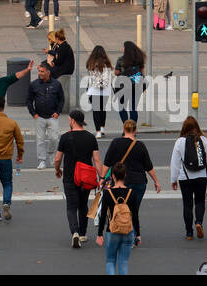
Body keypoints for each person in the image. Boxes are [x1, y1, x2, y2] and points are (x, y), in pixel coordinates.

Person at [104, 119, 161, 244]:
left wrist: (102, 178)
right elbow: (149, 167)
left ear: (124, 129)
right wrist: (156, 181)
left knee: (117, 208)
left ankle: (117, 232)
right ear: (135, 130)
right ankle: (132, 235)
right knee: (132, 210)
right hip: (138, 182)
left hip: (119, 181)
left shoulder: (115, 143)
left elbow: (107, 163)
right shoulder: (140, 145)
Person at [54, 109, 102, 247]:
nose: (68, 121)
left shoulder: (65, 137)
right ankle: (82, 234)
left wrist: (57, 169)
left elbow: (57, 158)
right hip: (85, 178)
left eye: (69, 119)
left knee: (71, 206)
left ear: (73, 120)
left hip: (70, 177)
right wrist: (102, 177)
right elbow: (97, 160)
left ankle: (74, 232)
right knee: (83, 205)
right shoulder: (90, 137)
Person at [169, 117, 207, 241]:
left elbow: (175, 163)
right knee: (200, 201)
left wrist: (173, 179)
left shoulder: (180, 142)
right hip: (201, 177)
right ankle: (199, 223)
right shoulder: (203, 140)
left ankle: (189, 232)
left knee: (187, 204)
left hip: (185, 177)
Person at [96, 163, 136, 274]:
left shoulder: (108, 193)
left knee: (110, 261)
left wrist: (99, 234)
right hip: (128, 230)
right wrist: (138, 235)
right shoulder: (131, 193)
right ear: (125, 175)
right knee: (123, 262)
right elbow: (135, 216)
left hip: (112, 230)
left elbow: (103, 215)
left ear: (113, 176)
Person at [26, 62, 64, 170]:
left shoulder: (56, 84)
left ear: (48, 72)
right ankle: (42, 160)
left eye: (42, 71)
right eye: (39, 71)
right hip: (40, 117)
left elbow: (62, 99)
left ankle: (51, 154)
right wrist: (33, 114)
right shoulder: (34, 84)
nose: (40, 73)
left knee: (54, 138)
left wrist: (58, 112)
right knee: (40, 140)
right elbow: (29, 100)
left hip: (53, 117)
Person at [114, 40, 147, 124]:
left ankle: (126, 128)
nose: (123, 48)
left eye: (124, 47)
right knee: (133, 108)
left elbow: (116, 72)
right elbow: (142, 73)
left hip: (123, 87)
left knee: (122, 107)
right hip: (136, 87)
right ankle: (132, 128)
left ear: (126, 49)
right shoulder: (139, 60)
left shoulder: (121, 60)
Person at [85, 46, 114, 138]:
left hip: (94, 90)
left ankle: (97, 131)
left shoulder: (91, 63)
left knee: (96, 111)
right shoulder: (107, 63)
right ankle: (102, 128)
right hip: (105, 90)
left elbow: (90, 78)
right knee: (103, 109)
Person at [44, 28, 75, 107]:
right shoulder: (64, 46)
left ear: (57, 39)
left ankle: (49, 93)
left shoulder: (62, 47)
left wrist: (53, 63)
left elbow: (59, 60)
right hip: (65, 67)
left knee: (48, 73)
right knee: (47, 71)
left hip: (66, 69)